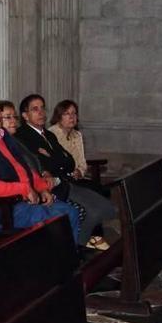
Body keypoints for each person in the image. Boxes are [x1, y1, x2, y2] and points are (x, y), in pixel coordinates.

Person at [0, 92, 80, 244]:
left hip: (20, 202)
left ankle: (65, 263)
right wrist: (25, 189)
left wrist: (41, 188)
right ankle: (54, 263)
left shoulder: (2, 136)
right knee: (59, 218)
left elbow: (24, 169)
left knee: (70, 211)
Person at [14, 94, 114, 249]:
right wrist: (57, 160)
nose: (41, 112)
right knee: (93, 210)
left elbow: (70, 162)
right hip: (53, 187)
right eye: (35, 109)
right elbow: (42, 164)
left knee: (108, 209)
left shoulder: (49, 135)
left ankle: (80, 242)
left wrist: (53, 158)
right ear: (25, 115)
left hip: (66, 181)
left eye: (42, 108)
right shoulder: (22, 136)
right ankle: (78, 247)